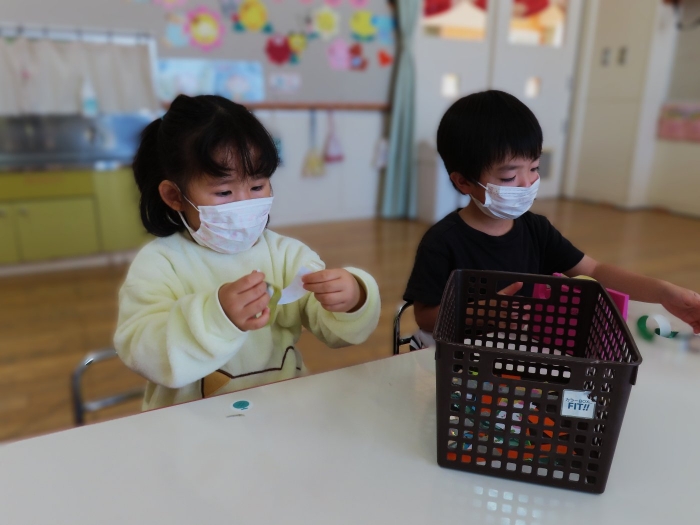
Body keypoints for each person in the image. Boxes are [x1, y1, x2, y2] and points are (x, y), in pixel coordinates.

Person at [115, 94, 380, 410]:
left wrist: (354, 297)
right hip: (191, 423)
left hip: (280, 411)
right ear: (175, 196)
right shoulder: (160, 264)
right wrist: (216, 317)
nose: (245, 203)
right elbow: (144, 351)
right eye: (224, 192)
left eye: (257, 187)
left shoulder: (287, 255)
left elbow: (332, 329)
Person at [404, 90, 700, 342]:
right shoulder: (442, 241)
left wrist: (664, 292)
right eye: (509, 177)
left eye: (534, 168)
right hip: (461, 359)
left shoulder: (536, 230)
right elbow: (425, 316)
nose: (527, 183)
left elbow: (595, 271)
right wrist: (482, 312)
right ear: (463, 182)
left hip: (521, 353)